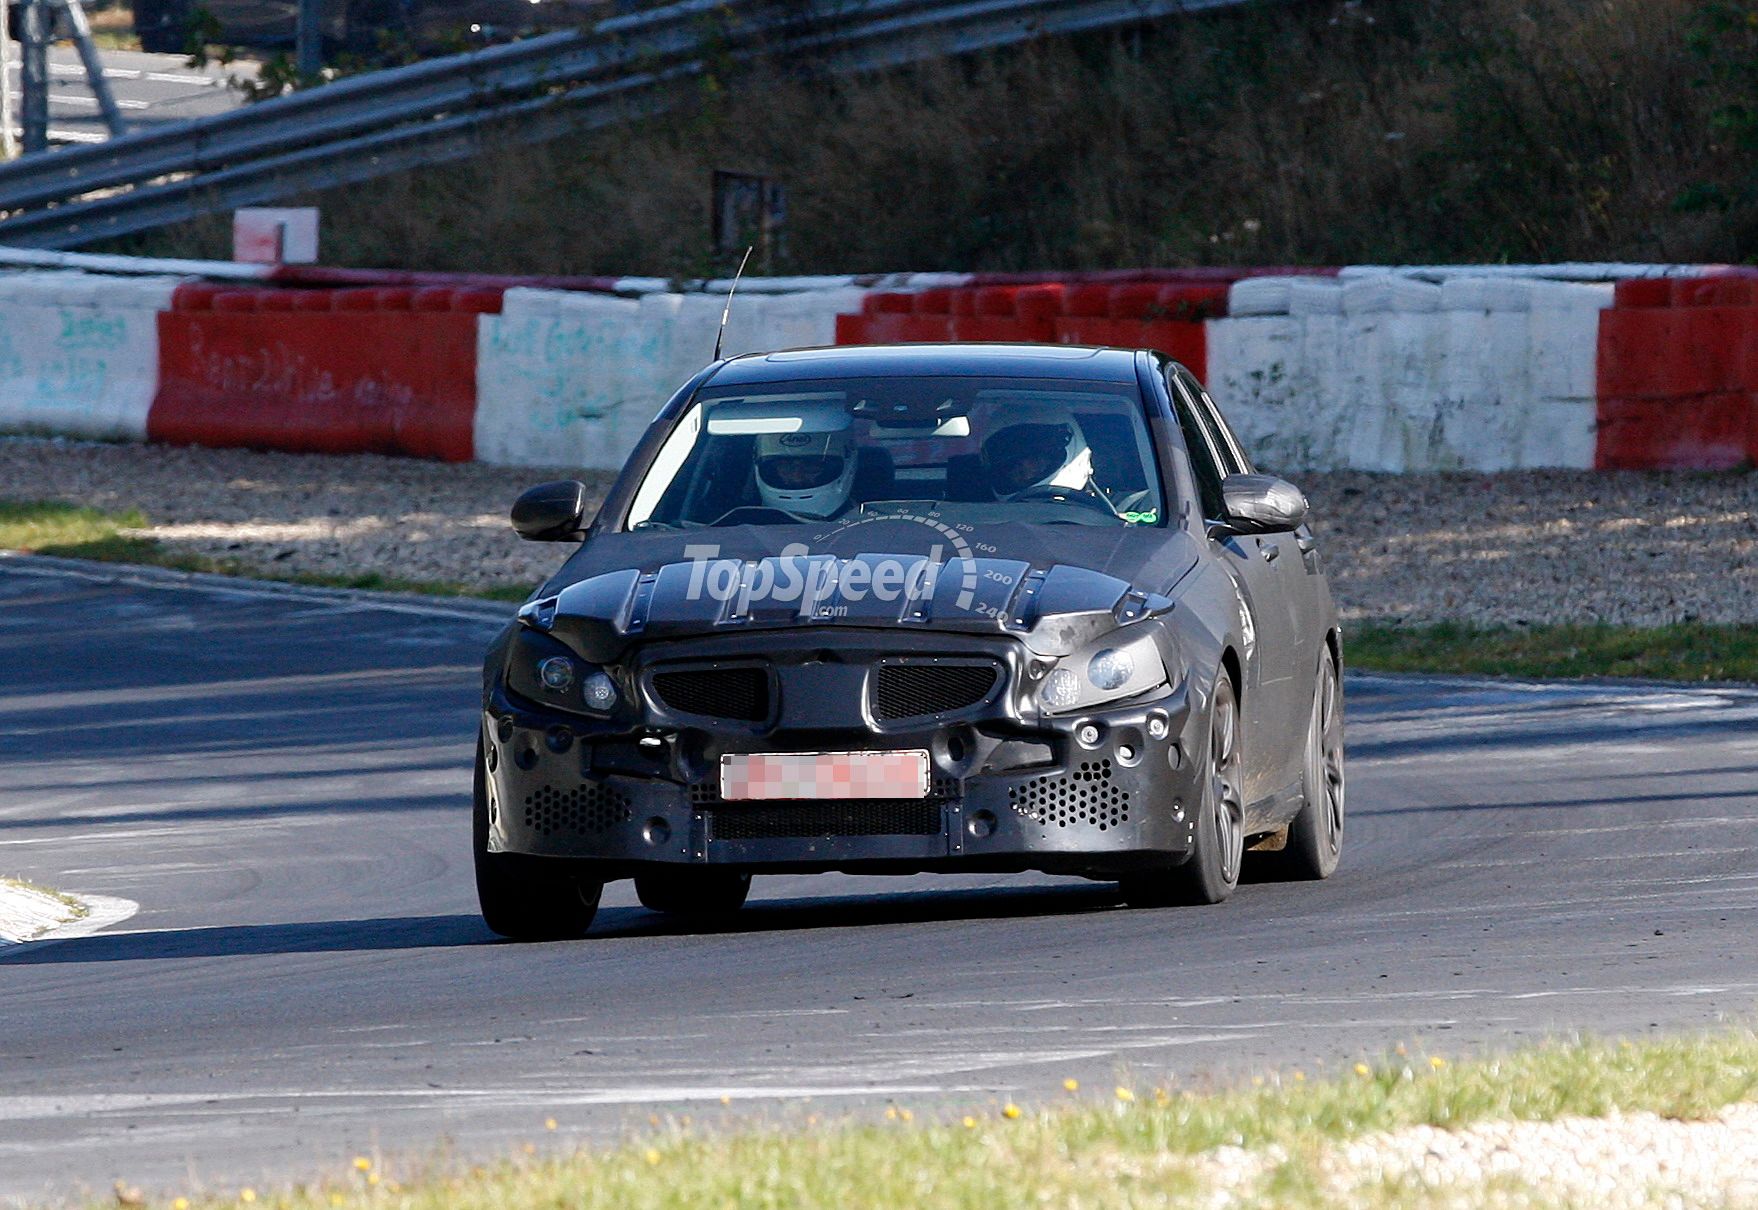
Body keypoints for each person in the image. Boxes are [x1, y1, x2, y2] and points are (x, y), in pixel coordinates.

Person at [979, 417, 1095, 501]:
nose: (1026, 471)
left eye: (1035, 459)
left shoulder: (1101, 521)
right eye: (1015, 462)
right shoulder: (971, 510)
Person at [754, 430, 859, 519]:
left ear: (848, 465)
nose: (797, 477)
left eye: (811, 466)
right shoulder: (744, 527)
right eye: (785, 466)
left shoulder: (869, 528)